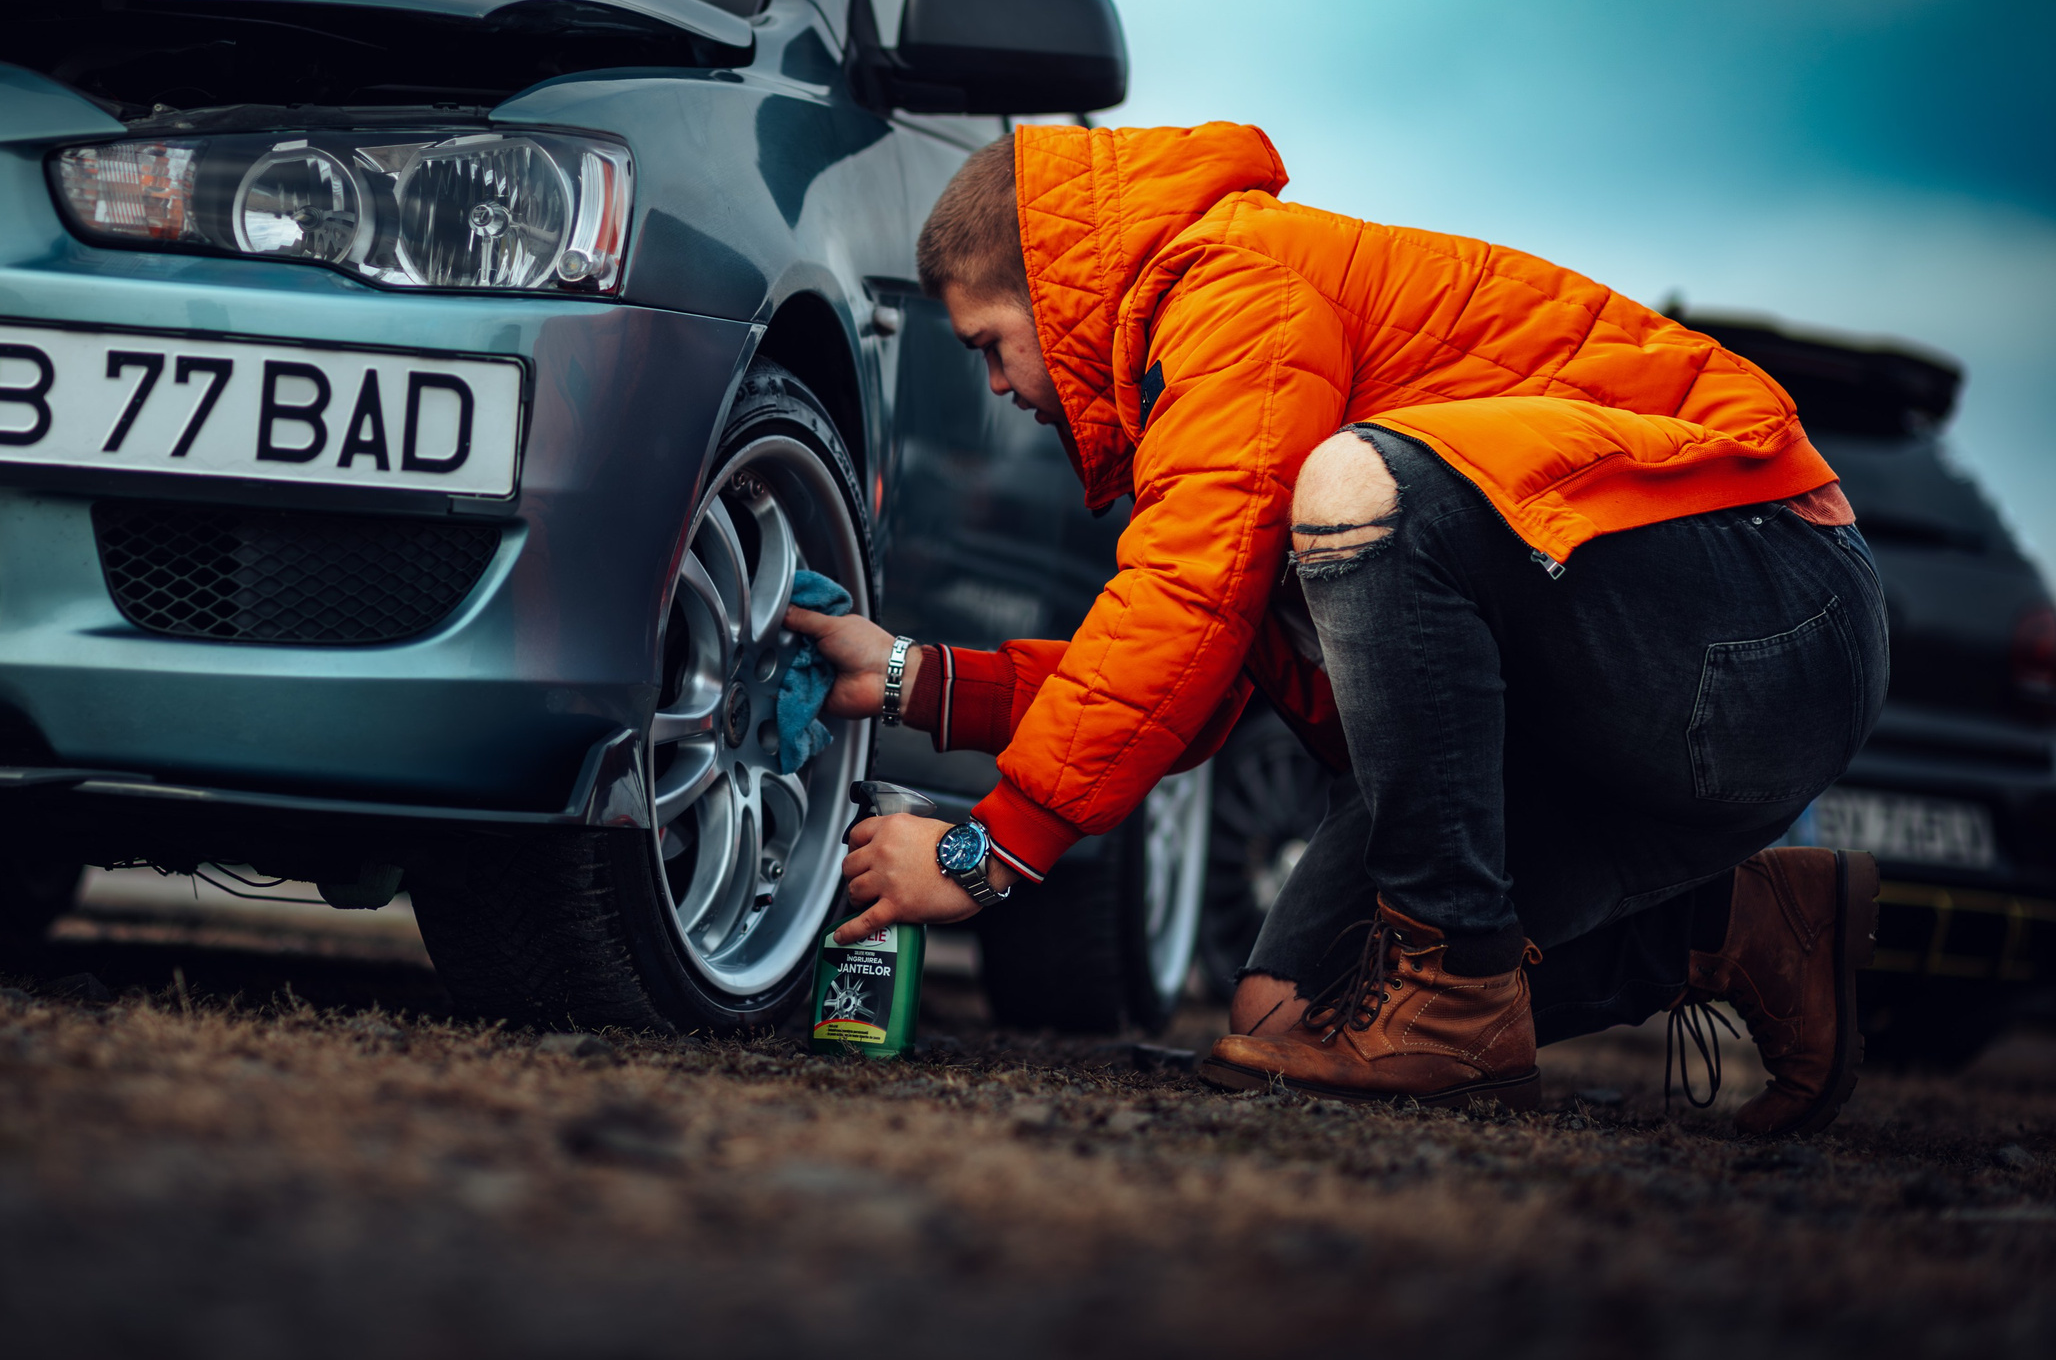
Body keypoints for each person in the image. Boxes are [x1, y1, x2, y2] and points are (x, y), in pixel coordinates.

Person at [792, 123, 1887, 1135]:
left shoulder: (1229, 291)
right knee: (1289, 1020)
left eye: (990, 344)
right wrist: (905, 676)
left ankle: (1452, 991)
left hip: (1768, 615)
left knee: (1361, 487)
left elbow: (1182, 603)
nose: (995, 387)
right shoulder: (1192, 379)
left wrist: (987, 854)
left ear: (1054, 290)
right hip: (1642, 670)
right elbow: (1177, 684)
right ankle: (1741, 928)